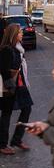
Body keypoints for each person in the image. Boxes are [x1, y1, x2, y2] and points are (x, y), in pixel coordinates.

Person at [0, 23, 33, 155]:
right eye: (20, 32)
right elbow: (3, 70)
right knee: (6, 114)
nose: (22, 34)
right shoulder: (7, 50)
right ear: (14, 34)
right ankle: (2, 144)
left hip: (19, 84)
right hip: (10, 86)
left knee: (26, 108)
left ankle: (17, 139)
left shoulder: (18, 48)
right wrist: (9, 87)